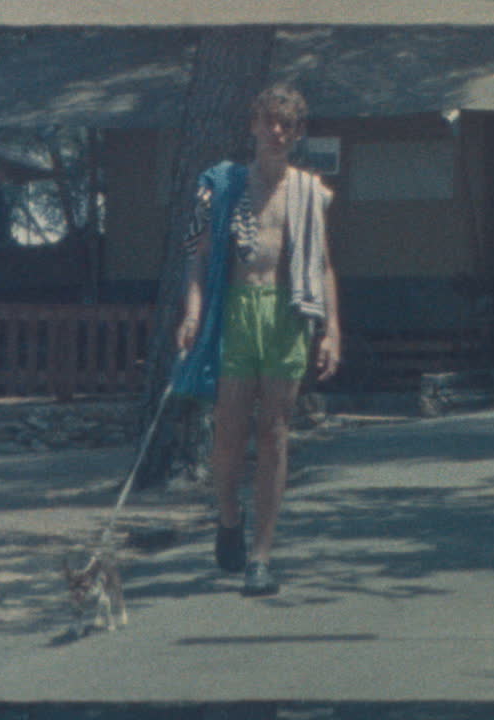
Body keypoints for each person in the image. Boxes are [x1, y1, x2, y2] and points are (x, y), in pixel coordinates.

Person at [173, 83, 342, 596]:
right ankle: (229, 516)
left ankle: (261, 557)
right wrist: (193, 311)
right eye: (268, 121)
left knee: (274, 434)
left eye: (286, 125)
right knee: (227, 435)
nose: (276, 131)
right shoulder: (223, 187)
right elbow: (197, 256)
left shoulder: (309, 192)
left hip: (287, 315)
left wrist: (332, 328)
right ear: (252, 125)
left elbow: (323, 265)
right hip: (236, 313)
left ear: (296, 134)